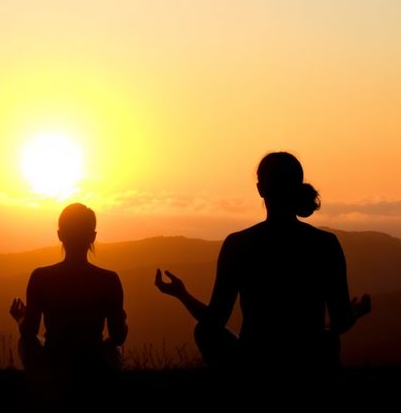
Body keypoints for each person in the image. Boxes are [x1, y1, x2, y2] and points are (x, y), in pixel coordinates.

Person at [155, 152, 370, 370]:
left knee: (203, 331)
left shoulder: (238, 244)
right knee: (328, 340)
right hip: (309, 360)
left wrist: (182, 294)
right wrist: (356, 312)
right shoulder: (325, 244)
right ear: (298, 186)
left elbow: (214, 321)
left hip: (255, 361)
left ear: (260, 189)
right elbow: (341, 322)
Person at [9, 203, 128, 381]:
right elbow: (118, 337)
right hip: (94, 363)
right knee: (114, 350)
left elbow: (29, 332)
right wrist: (122, 321)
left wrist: (20, 318)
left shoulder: (40, 277)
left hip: (54, 361)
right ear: (93, 237)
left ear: (60, 235)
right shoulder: (109, 280)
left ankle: (41, 384)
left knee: (25, 343)